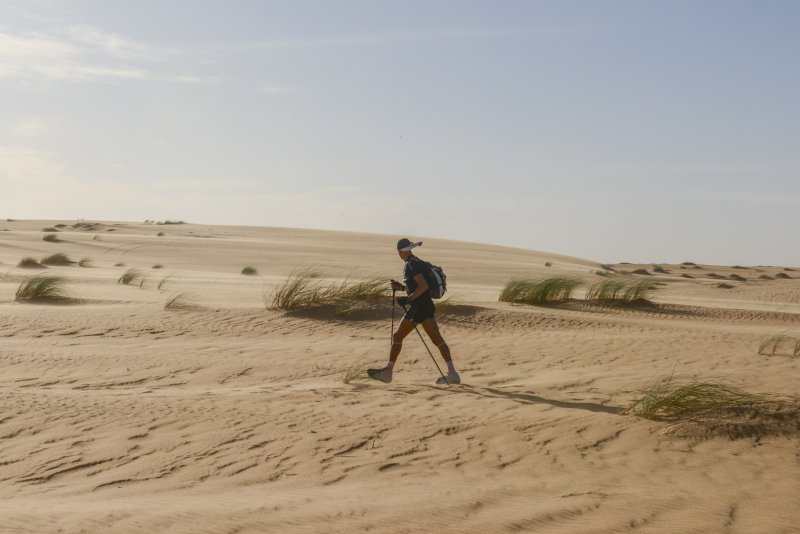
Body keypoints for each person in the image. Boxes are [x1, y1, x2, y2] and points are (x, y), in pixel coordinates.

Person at [368, 238, 460, 385]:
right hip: (427, 306)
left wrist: (408, 300)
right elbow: (418, 286)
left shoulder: (410, 266)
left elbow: (422, 286)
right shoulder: (418, 263)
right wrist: (401, 288)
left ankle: (388, 373)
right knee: (437, 340)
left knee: (397, 336)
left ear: (399, 252)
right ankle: (453, 374)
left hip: (418, 307)